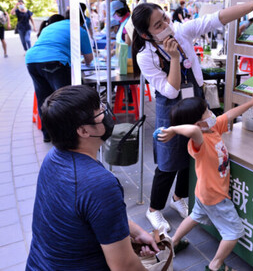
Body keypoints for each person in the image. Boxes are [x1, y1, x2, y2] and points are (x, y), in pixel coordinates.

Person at [131, 0, 253, 232]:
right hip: (171, 106)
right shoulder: (145, 55)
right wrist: (176, 59)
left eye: (165, 18)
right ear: (146, 34)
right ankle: (154, 209)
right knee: (168, 160)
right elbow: (170, 90)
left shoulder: (180, 30)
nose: (166, 25)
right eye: (158, 25)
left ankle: (180, 197)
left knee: (194, 152)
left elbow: (216, 19)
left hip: (195, 100)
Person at [27, 85, 159, 270]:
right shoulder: (100, 184)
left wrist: (136, 231)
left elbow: (91, 214)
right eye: (99, 112)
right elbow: (124, 266)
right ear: (83, 131)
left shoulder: (53, 157)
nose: (106, 113)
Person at [158, 88, 253, 271]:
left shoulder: (212, 128)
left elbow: (229, 114)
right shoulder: (198, 142)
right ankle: (215, 265)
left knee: (195, 216)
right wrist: (174, 129)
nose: (212, 113)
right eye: (207, 111)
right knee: (233, 233)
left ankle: (172, 243)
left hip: (203, 191)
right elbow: (191, 130)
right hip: (215, 196)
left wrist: (252, 103)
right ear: (199, 124)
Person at [25, 12, 93, 142]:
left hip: (31, 60)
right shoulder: (80, 30)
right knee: (64, 99)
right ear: (81, 21)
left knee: (43, 99)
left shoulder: (51, 27)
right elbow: (89, 59)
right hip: (54, 62)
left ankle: (48, 134)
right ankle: (67, 136)